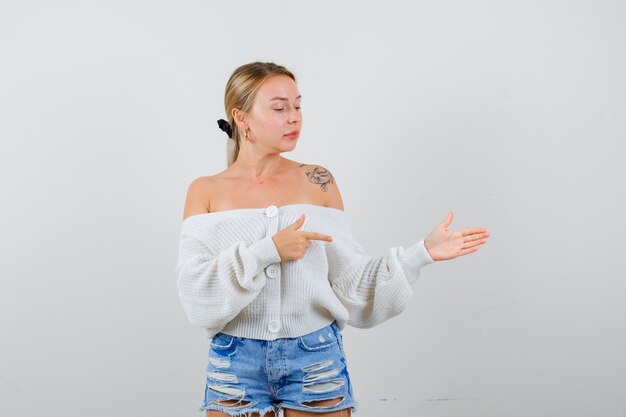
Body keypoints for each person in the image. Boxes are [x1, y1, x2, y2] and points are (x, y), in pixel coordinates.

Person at [175, 62, 490, 417]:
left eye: (298, 106)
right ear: (241, 117)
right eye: (279, 108)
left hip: (314, 357)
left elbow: (350, 281)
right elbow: (195, 293)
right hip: (234, 362)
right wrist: (268, 252)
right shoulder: (205, 191)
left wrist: (422, 253)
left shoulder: (317, 180)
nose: (294, 117)